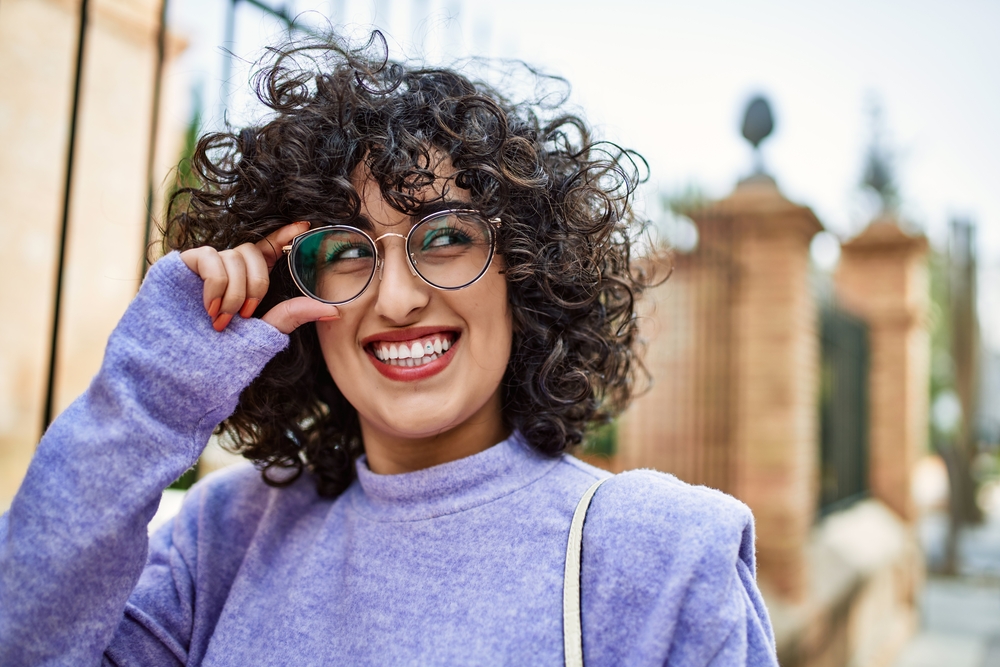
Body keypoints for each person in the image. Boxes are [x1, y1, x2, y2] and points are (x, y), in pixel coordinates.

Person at [0, 33, 777, 666]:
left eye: (444, 238)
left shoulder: (661, 556)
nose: (398, 299)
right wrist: (158, 385)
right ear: (291, 290)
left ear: (526, 271)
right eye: (346, 249)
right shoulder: (224, 538)